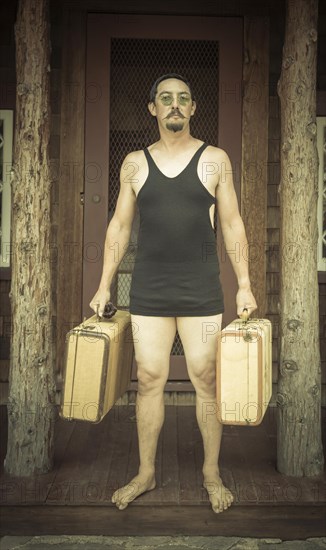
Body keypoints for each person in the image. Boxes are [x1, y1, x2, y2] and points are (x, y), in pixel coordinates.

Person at [90, 73, 257, 513]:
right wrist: (104, 283)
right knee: (148, 380)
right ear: (153, 109)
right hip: (149, 287)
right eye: (165, 98)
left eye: (183, 98)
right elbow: (119, 227)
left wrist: (244, 284)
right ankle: (145, 473)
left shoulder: (214, 160)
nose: (174, 105)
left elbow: (233, 224)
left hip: (201, 286)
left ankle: (210, 474)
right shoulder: (134, 164)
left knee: (204, 378)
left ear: (193, 107)